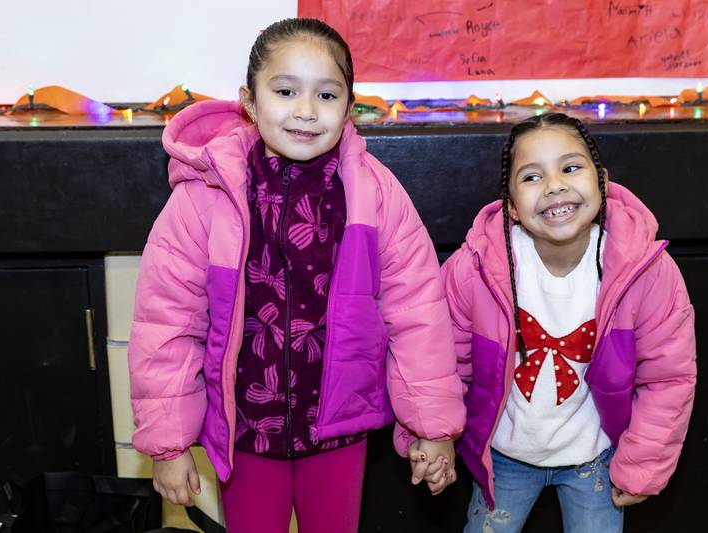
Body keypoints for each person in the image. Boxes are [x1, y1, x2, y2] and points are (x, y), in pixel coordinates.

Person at [127, 17, 464, 533]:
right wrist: (169, 445)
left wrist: (432, 428)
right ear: (250, 101)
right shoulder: (202, 198)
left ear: (350, 109)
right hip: (246, 430)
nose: (306, 111)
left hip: (339, 429)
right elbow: (167, 326)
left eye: (326, 96)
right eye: (286, 91)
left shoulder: (375, 195)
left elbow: (417, 315)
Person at [436, 112, 696, 532]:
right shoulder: (476, 269)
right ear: (512, 207)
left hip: (596, 458)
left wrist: (643, 466)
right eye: (532, 177)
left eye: (571, 168)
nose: (555, 185)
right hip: (504, 456)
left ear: (603, 183)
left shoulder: (647, 272)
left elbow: (669, 378)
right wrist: (433, 434)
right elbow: (441, 360)